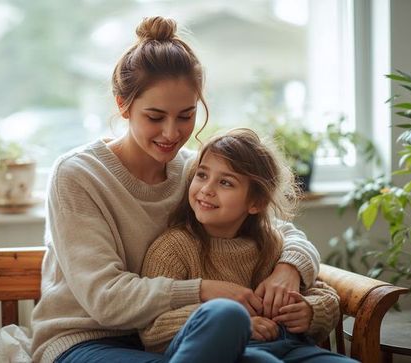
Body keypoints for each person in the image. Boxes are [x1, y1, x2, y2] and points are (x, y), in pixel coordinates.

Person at [31, 16, 321, 363]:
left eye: (185, 116)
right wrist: (202, 290)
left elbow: (284, 232)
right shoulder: (77, 175)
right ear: (123, 105)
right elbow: (105, 299)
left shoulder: (194, 173)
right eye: (155, 117)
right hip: (89, 341)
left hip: (183, 337)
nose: (171, 133)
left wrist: (289, 269)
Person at [138, 128, 356, 362]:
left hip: (291, 346)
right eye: (201, 175)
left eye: (225, 182)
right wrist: (238, 325)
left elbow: (325, 295)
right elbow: (153, 329)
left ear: (256, 202)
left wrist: (310, 311)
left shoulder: (271, 243)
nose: (207, 189)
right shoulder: (173, 249)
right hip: (229, 352)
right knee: (235, 325)